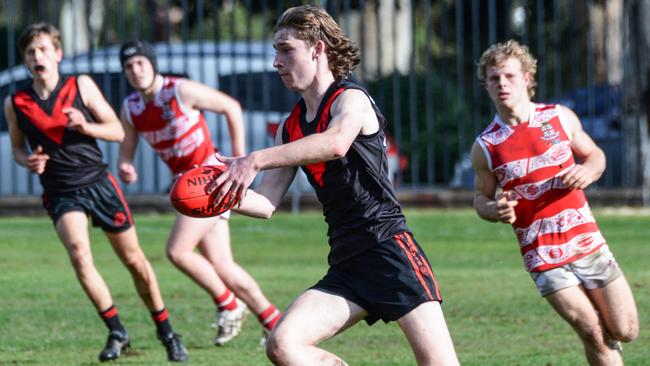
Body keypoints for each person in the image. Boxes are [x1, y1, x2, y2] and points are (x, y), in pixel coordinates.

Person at [209, 5, 460, 366]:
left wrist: (255, 158)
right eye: (275, 51)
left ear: (317, 49)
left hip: (389, 250)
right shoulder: (290, 126)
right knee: (283, 345)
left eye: (286, 49)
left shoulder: (351, 100)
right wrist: (217, 192)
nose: (276, 62)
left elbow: (335, 142)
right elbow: (264, 202)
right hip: (347, 262)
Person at [3, 23, 188, 363]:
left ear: (58, 54)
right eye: (31, 52)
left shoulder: (80, 85)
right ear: (25, 60)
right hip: (60, 190)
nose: (37, 56)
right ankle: (117, 330)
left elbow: (117, 132)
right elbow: (17, 149)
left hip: (99, 184)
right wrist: (27, 161)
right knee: (79, 254)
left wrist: (85, 126)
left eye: (43, 49)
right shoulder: (16, 102)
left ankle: (167, 331)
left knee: (134, 261)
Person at [471, 40, 638, 365]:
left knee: (624, 329)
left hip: (587, 242)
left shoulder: (559, 117)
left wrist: (587, 171)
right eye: (494, 78)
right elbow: (480, 198)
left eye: (509, 76)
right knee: (592, 331)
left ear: (527, 78)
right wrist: (495, 209)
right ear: (486, 86)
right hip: (542, 255)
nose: (502, 84)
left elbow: (595, 156)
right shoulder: (486, 145)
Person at [117, 40, 282, 347]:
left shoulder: (179, 91)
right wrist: (126, 166)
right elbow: (126, 151)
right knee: (223, 265)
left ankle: (229, 306)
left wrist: (240, 158)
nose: (135, 70)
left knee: (177, 251)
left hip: (209, 180)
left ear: (153, 64)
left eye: (141, 63)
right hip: (190, 188)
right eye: (128, 66)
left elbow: (231, 107)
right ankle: (274, 322)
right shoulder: (132, 108)